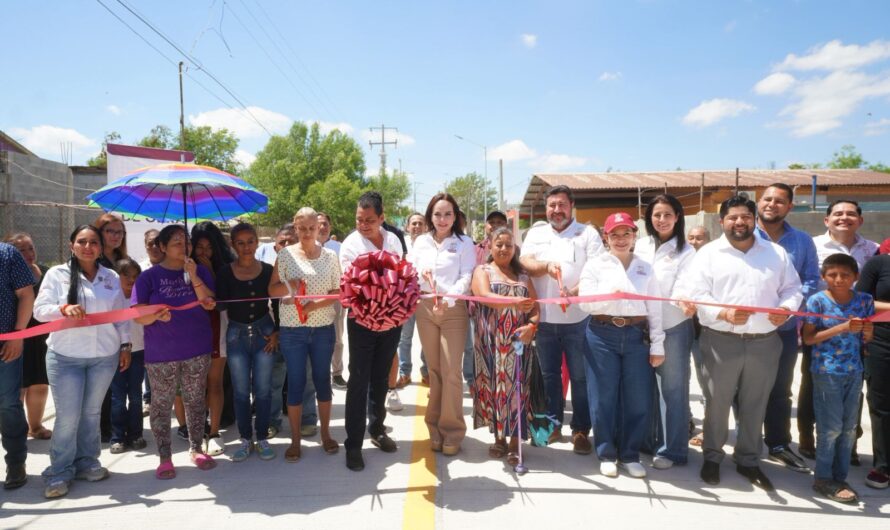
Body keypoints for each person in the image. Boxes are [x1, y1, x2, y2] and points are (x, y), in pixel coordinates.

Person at [681, 196, 803, 491]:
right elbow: (696, 293)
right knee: (718, 402)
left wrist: (786, 309)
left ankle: (748, 459)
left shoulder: (776, 254)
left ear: (754, 219)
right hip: (720, 340)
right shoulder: (708, 254)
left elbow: (793, 289)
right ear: (722, 221)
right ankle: (712, 456)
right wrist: (722, 312)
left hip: (765, 341)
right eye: (733, 217)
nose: (740, 222)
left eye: (746, 217)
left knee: (755, 402)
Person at [33, 225, 130, 498]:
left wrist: (125, 344)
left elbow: (121, 315)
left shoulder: (110, 277)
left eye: (93, 243)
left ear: (100, 247)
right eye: (82, 242)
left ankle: (88, 462)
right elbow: (39, 312)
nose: (88, 247)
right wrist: (62, 309)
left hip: (103, 356)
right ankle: (59, 472)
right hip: (66, 358)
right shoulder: (57, 275)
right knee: (67, 417)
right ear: (71, 245)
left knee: (91, 413)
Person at [579, 212, 664, 478]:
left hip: (636, 335)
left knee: (637, 397)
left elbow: (655, 307)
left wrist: (657, 345)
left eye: (626, 233)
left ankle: (629, 454)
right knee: (603, 396)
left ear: (634, 236)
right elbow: (584, 303)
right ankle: (606, 452)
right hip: (602, 334)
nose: (620, 239)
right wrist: (609, 297)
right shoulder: (595, 266)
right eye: (614, 234)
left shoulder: (645, 268)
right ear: (606, 238)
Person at [519, 185, 603, 454]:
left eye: (562, 205)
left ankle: (580, 430)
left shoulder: (587, 234)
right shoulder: (536, 233)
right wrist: (544, 266)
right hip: (544, 321)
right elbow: (525, 262)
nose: (557, 210)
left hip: (579, 320)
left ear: (572, 206)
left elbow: (597, 270)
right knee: (549, 376)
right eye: (552, 205)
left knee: (580, 377)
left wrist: (575, 293)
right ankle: (553, 424)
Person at [133, 224, 218, 480]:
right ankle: (165, 456)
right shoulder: (148, 277)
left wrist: (193, 275)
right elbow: (138, 317)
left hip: (197, 348)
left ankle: (196, 448)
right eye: (177, 243)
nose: (184, 247)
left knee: (195, 400)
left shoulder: (199, 270)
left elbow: (209, 303)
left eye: (186, 242)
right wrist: (155, 315)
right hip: (162, 353)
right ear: (162, 247)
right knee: (161, 404)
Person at [750, 183, 821, 473]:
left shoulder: (802, 241)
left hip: (784, 329)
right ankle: (748, 442)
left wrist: (786, 309)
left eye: (780, 201)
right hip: (748, 329)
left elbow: (811, 280)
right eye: (767, 199)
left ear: (790, 206)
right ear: (758, 202)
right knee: (747, 390)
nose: (772, 204)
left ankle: (778, 444)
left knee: (780, 390)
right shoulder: (741, 234)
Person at [802, 200, 879, 462]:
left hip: (854, 350)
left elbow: (873, 293)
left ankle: (849, 450)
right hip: (820, 340)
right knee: (813, 394)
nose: (844, 218)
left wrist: (866, 328)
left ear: (860, 219)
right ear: (827, 220)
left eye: (850, 213)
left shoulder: (873, 250)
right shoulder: (811, 245)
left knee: (850, 407)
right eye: (838, 213)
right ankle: (809, 443)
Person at [269, 208, 341, 462]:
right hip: (293, 331)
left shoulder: (331, 256)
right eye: (303, 228)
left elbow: (338, 291)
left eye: (313, 227)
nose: (308, 232)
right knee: (297, 383)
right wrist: (293, 286)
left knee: (322, 381)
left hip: (322, 329)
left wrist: (314, 304)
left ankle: (326, 434)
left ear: (319, 228)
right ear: (296, 228)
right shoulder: (286, 255)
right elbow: (272, 289)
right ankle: (295, 440)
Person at [339, 191, 404, 471]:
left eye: (369, 220)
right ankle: (353, 444)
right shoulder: (351, 245)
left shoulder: (394, 240)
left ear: (382, 218)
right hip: (362, 320)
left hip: (392, 320)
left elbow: (400, 277)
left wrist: (392, 310)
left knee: (381, 377)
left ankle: (377, 429)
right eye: (359, 219)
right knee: (359, 380)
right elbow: (355, 283)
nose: (363, 225)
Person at [802, 253, 874, 503]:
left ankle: (839, 477)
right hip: (826, 372)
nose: (839, 279)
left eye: (845, 274)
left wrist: (868, 331)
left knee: (848, 429)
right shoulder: (817, 301)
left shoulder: (864, 300)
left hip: (854, 371)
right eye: (832, 274)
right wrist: (842, 327)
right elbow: (808, 338)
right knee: (830, 428)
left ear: (856, 276)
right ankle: (822, 478)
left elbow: (866, 337)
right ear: (823, 277)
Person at [411, 193, 475, 456]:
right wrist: (421, 276)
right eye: (437, 214)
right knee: (434, 371)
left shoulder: (464, 243)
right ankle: (434, 428)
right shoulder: (420, 243)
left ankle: (453, 431)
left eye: (448, 214)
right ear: (430, 216)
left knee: (451, 372)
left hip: (453, 309)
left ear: (455, 216)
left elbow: (467, 276)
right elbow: (410, 271)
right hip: (425, 308)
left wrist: (447, 300)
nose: (442, 219)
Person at [634, 195, 695, 470]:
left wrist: (682, 298)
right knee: (645, 389)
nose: (661, 220)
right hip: (641, 327)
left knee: (673, 391)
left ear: (677, 217)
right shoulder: (641, 245)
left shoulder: (687, 252)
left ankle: (674, 450)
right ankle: (648, 443)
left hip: (673, 327)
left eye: (667, 214)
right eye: (656, 215)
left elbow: (684, 285)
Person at [471, 227, 539, 464]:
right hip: (489, 343)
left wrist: (532, 327)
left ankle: (514, 442)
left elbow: (535, 308)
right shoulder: (483, 270)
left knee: (517, 390)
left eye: (508, 245)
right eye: (498, 244)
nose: (503, 249)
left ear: (515, 249)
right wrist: (514, 301)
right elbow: (484, 295)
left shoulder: (523, 277)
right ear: (490, 246)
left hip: (517, 344)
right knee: (493, 389)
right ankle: (499, 438)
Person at [216, 223, 279, 462]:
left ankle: (261, 437)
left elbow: (276, 303)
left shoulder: (267, 269)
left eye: (250, 241)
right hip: (236, 336)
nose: (246, 247)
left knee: (262, 391)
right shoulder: (224, 272)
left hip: (264, 333)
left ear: (257, 243)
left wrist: (277, 332)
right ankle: (245, 438)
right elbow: (220, 304)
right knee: (241, 392)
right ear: (233, 245)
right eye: (240, 243)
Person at [190, 221, 235, 456]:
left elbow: (223, 299)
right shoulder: (182, 266)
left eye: (209, 247)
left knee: (214, 382)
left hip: (217, 327)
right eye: (199, 247)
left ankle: (215, 431)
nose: (204, 252)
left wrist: (210, 273)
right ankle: (197, 429)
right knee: (195, 386)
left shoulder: (226, 266)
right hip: (190, 331)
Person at [255, 223, 303, 438]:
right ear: (274, 247)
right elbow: (267, 305)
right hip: (278, 333)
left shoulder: (309, 265)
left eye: (290, 241)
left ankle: (306, 420)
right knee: (274, 382)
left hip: (305, 332)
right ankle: (273, 421)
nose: (285, 245)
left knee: (305, 380)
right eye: (281, 242)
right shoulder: (270, 272)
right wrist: (275, 331)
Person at [6, 233, 51, 440]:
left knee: (40, 384)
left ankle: (36, 426)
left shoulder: (46, 272)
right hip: (17, 335)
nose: (28, 254)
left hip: (42, 336)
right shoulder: (7, 272)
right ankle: (15, 431)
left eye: (30, 248)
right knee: (19, 386)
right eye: (21, 250)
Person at [0, 241, 35, 491]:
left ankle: (15, 463)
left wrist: (18, 335)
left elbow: (25, 293)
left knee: (7, 403)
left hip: (6, 345)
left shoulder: (7, 253)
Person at [855, 249, 890, 489]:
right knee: (882, 404)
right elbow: (860, 299)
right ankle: (883, 465)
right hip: (882, 340)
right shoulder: (879, 264)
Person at [94, 213, 129, 443]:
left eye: (119, 232)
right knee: (98, 387)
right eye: (110, 231)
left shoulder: (123, 262)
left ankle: (114, 427)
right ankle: (99, 428)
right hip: (93, 332)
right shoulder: (90, 261)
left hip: (119, 330)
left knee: (117, 385)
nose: (115, 236)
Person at [109, 258, 147, 454]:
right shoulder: (111, 297)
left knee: (135, 395)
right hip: (115, 352)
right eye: (126, 275)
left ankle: (136, 434)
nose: (131, 280)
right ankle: (117, 437)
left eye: (135, 276)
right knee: (117, 396)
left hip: (139, 351)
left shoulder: (141, 296)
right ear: (117, 276)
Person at [686, 226, 712, 448]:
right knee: (680, 379)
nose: (695, 242)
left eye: (700, 238)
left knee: (706, 380)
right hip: (680, 330)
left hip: (704, 333)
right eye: (691, 238)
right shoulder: (683, 262)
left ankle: (709, 426)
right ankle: (685, 420)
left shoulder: (713, 263)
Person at [397, 212, 429, 388]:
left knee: (427, 338)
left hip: (425, 298)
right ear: (407, 226)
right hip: (405, 299)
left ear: (425, 226)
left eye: (420, 223)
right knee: (404, 338)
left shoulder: (431, 245)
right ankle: (404, 373)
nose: (417, 226)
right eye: (413, 223)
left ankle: (427, 372)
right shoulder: (400, 244)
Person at [318, 212, 347, 390]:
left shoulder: (339, 247)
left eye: (325, 224)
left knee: (337, 338)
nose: (322, 227)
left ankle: (336, 373)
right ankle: (319, 374)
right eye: (319, 224)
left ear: (330, 227)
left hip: (336, 298)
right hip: (313, 299)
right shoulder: (306, 248)